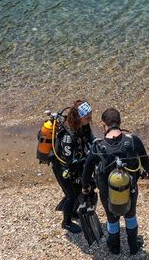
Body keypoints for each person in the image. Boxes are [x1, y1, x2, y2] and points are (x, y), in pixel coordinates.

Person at [82, 108, 149, 255]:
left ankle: (114, 248)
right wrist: (147, 173)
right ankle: (133, 246)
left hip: (107, 193)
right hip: (130, 189)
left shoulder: (97, 146)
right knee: (130, 215)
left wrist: (85, 187)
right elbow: (145, 161)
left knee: (112, 218)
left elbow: (87, 171)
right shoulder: (133, 140)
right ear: (120, 122)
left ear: (103, 124)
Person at [51, 98, 95, 233]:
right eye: (87, 117)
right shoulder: (67, 135)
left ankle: (69, 209)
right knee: (72, 194)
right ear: (79, 117)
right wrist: (87, 160)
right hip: (62, 166)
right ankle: (66, 222)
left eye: (90, 116)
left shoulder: (84, 126)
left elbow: (90, 141)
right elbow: (69, 160)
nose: (90, 119)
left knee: (80, 189)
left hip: (76, 164)